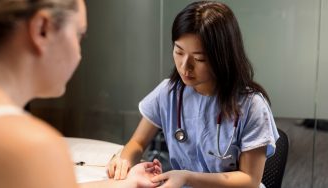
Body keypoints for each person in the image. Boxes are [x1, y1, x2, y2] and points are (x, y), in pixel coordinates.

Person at [108, 1, 279, 188]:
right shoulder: (169, 92)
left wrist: (188, 178)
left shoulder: (252, 105)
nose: (184, 66)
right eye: (179, 52)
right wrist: (123, 160)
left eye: (199, 59)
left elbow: (250, 180)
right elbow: (137, 142)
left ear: (223, 57)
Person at [0, 0, 161, 188]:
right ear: (42, 29)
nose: (79, 55)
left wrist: (128, 183)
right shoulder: (31, 147)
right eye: (79, 34)